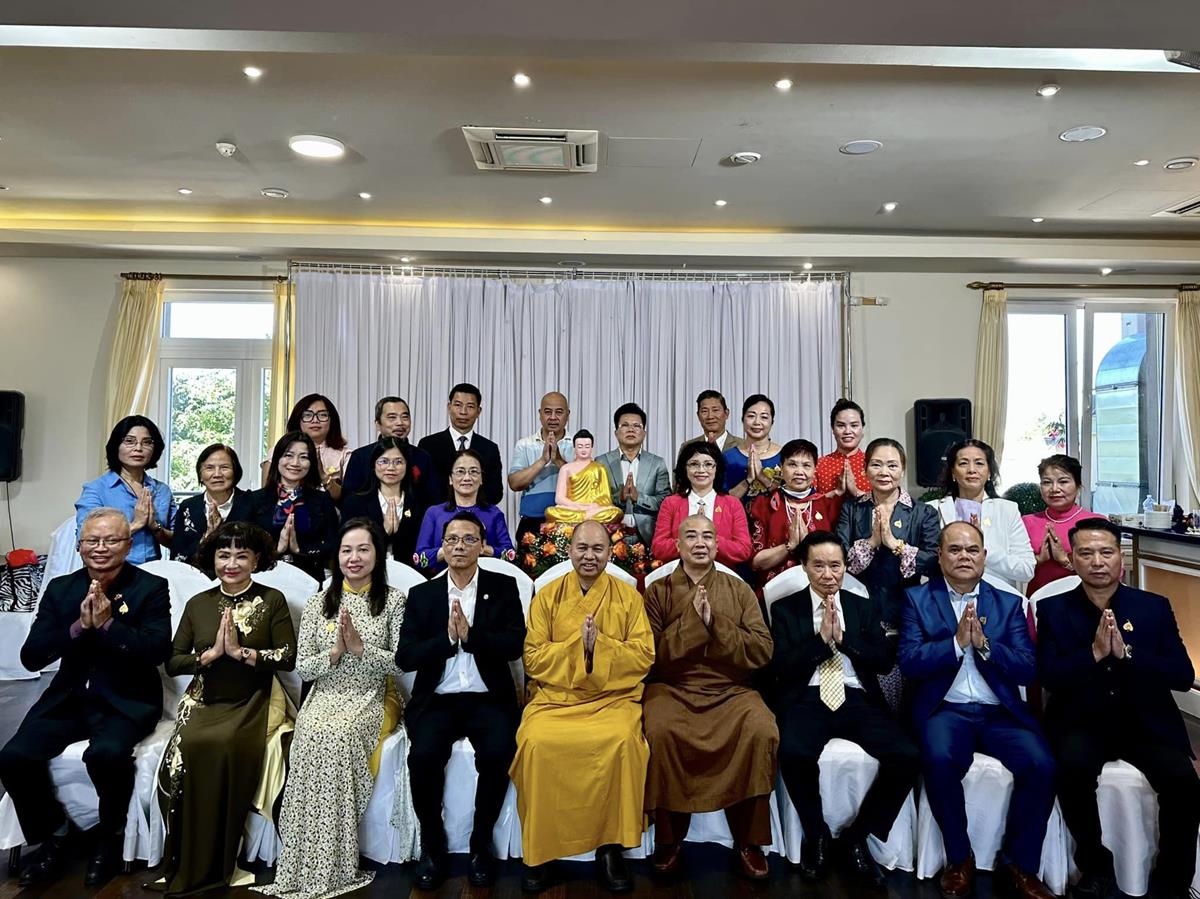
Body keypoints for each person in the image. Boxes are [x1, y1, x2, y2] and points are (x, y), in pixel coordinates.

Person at [0, 509, 171, 887]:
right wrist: (78, 627)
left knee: (105, 755)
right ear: (79, 547)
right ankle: (55, 834)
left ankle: (109, 839)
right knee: (13, 757)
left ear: (128, 545)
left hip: (126, 698)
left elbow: (157, 650)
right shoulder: (61, 589)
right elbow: (31, 656)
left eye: (111, 540)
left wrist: (109, 625)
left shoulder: (150, 587)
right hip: (69, 697)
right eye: (92, 540)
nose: (101, 548)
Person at [1037, 519, 1199, 899]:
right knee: (1072, 771)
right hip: (1082, 720)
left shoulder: (1153, 607)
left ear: (1120, 558)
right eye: (1086, 553)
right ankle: (1097, 868)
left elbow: (1181, 675)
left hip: (1145, 721)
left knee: (1183, 782)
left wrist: (1128, 654)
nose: (1097, 562)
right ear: (1073, 559)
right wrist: (1093, 654)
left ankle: (1172, 882)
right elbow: (1049, 676)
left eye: (1106, 552)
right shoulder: (1053, 609)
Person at [258, 518, 418, 898]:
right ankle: (303, 861)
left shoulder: (394, 601)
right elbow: (303, 668)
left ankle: (336, 863)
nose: (354, 558)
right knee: (309, 733)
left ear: (377, 555)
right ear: (337, 556)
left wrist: (362, 650)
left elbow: (402, 664)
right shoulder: (319, 602)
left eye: (363, 549)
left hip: (373, 693)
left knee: (339, 736)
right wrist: (333, 654)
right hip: (325, 694)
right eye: (347, 550)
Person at [898, 522, 1056, 899]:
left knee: (1042, 765)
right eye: (954, 550)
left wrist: (985, 647)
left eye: (972, 550)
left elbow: (1026, 668)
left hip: (999, 711)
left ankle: (1019, 864)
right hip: (946, 709)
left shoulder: (1008, 603)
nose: (964, 557)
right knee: (938, 760)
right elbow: (909, 661)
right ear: (940, 557)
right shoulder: (917, 600)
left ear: (984, 556)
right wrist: (955, 644)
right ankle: (960, 858)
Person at [511, 520, 655, 893]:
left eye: (598, 549)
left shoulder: (628, 598)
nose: (589, 556)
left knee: (623, 741)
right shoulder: (547, 596)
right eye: (582, 548)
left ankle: (610, 847)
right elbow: (532, 657)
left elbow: (643, 656)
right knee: (536, 743)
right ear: (569, 551)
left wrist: (599, 647)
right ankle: (541, 851)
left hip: (611, 699)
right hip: (557, 699)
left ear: (610, 554)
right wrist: (579, 649)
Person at [156, 521, 298, 896]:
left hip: (254, 698)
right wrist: (210, 656)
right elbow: (174, 661)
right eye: (223, 555)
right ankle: (185, 860)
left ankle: (219, 861)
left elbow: (287, 657)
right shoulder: (198, 604)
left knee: (223, 745)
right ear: (213, 559)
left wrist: (240, 653)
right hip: (205, 697)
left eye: (241, 556)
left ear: (256, 560)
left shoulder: (272, 600)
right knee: (187, 749)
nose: (231, 564)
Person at [771, 532, 919, 889]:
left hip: (855, 697)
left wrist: (844, 640)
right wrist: (821, 642)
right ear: (804, 567)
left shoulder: (861, 606)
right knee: (793, 752)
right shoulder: (785, 609)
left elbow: (883, 662)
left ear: (844, 568)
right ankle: (817, 835)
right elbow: (781, 669)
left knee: (907, 755)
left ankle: (858, 836)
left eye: (835, 566)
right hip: (807, 697)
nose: (828, 575)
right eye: (819, 566)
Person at [642, 514, 778, 882]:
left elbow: (762, 651)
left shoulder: (739, 591)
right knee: (659, 731)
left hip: (730, 689)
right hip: (673, 688)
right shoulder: (658, 592)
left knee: (761, 729)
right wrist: (693, 625)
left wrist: (717, 624)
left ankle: (748, 840)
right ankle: (669, 839)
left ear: (718, 546)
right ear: (678, 545)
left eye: (707, 536)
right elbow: (648, 656)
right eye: (691, 536)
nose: (700, 543)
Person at [396, 512, 526, 890]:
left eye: (469, 539)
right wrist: (448, 641)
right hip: (438, 698)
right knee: (423, 757)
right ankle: (432, 846)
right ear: (442, 547)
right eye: (451, 539)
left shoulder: (502, 586)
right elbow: (406, 656)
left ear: (482, 546)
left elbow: (514, 646)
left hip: (488, 697)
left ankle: (480, 844)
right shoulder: (423, 595)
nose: (459, 546)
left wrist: (471, 637)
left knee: (499, 753)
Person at [836, 437, 940, 628]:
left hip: (908, 607)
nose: (884, 472)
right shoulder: (851, 509)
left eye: (892, 466)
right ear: (865, 469)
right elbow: (840, 559)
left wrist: (895, 544)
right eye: (876, 465)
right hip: (859, 606)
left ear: (903, 470)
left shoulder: (924, 513)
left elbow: (933, 563)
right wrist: (871, 543)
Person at [931, 439, 1036, 590]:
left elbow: (1026, 570)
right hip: (945, 595)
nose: (971, 469)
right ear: (953, 472)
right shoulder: (933, 509)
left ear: (989, 473)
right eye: (963, 463)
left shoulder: (1007, 510)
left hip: (998, 596)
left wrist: (981, 547)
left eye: (979, 463)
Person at [75, 415, 175, 564]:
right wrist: (136, 524)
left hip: (153, 571)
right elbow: (86, 541)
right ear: (116, 446)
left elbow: (177, 542)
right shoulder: (96, 489)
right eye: (129, 441)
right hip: (110, 571)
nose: (138, 448)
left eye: (147, 442)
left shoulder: (162, 490)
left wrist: (155, 526)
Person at [749, 438, 841, 589]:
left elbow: (837, 557)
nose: (799, 472)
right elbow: (756, 562)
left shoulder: (828, 505)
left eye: (806, 465)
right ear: (781, 467)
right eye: (792, 464)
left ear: (815, 469)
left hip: (820, 588)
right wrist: (789, 546)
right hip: (775, 590)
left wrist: (805, 547)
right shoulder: (764, 505)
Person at [249, 432, 341, 581]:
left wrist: (300, 549)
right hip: (262, 578)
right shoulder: (253, 499)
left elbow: (335, 544)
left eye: (303, 457)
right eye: (288, 455)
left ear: (311, 463)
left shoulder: (322, 499)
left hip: (308, 578)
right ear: (277, 459)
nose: (295, 463)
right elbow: (243, 543)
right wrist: (276, 549)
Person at [652, 442, 752, 568]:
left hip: (721, 575)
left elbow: (743, 550)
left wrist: (709, 540)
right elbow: (658, 548)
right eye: (694, 464)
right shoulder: (671, 503)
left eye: (708, 464)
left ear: (717, 468)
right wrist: (690, 541)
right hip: (679, 574)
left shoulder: (732, 504)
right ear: (685, 468)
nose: (701, 470)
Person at [413, 449, 515, 572]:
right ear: (450, 479)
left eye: (473, 472)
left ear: (481, 479)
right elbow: (419, 559)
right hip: (443, 580)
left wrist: (483, 548)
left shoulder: (494, 513)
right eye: (460, 472)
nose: (467, 477)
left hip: (485, 579)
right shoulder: (434, 513)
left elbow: (511, 556)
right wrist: (449, 549)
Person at [1021, 454, 1106, 597]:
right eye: (1047, 482)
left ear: (1078, 486)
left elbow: (1112, 572)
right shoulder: (1027, 522)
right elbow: (1015, 570)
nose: (1054, 488)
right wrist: (1039, 560)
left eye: (1063, 481)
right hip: (1038, 601)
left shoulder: (1096, 523)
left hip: (1085, 601)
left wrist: (1065, 560)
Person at [596, 403, 672, 546]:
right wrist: (620, 498)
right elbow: (595, 500)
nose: (631, 429)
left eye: (637, 426)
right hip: (610, 533)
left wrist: (639, 498)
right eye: (625, 425)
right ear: (616, 432)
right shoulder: (601, 462)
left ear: (644, 433)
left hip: (648, 534)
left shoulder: (657, 463)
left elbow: (665, 501)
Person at [340, 437, 425, 564]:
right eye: (384, 461)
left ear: (407, 466)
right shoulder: (355, 503)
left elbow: (421, 549)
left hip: (409, 570)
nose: (391, 467)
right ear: (373, 465)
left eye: (398, 462)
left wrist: (399, 533)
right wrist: (383, 531)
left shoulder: (419, 502)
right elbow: (349, 545)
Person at [417, 382, 504, 506]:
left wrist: (470, 506)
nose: (463, 412)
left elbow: (496, 492)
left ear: (478, 411)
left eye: (470, 406)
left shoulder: (490, 448)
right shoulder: (428, 444)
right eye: (458, 405)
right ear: (449, 407)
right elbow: (421, 487)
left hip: (477, 513)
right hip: (438, 512)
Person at [341, 396, 438, 504]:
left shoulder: (422, 457)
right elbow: (349, 498)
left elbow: (433, 498)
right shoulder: (360, 456)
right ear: (378, 424)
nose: (400, 423)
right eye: (392, 417)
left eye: (405, 417)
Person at [172, 444, 254, 566]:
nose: (217, 474)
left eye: (224, 467)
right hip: (195, 575)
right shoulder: (188, 507)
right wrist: (207, 538)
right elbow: (178, 555)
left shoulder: (252, 503)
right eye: (209, 468)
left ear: (235, 472)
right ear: (200, 474)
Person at [507, 391, 574, 540]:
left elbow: (583, 484)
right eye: (548, 412)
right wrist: (542, 461)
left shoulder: (578, 445)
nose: (553, 417)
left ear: (568, 415)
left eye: (559, 412)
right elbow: (514, 483)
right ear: (540, 414)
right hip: (531, 523)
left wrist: (558, 460)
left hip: (568, 522)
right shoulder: (525, 444)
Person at [544, 429, 622, 524]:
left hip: (593, 508)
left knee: (615, 512)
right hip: (573, 508)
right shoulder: (566, 468)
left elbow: (605, 497)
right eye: (580, 447)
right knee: (550, 511)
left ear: (592, 447)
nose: (584, 450)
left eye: (587, 446)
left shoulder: (599, 468)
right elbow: (559, 498)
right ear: (574, 447)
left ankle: (583, 517)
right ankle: (588, 517)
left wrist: (595, 505)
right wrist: (576, 506)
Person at [285, 393, 352, 502]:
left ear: (332, 420)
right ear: (298, 419)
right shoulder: (278, 452)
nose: (315, 420)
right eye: (308, 415)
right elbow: (267, 494)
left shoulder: (345, 455)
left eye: (322, 415)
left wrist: (324, 476)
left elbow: (347, 497)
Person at [724, 394, 783, 503]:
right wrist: (748, 479)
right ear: (743, 419)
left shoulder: (784, 456)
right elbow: (722, 502)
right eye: (751, 416)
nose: (757, 422)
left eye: (764, 417)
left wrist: (761, 476)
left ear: (772, 422)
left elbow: (789, 498)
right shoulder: (728, 457)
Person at [814, 399, 870, 498]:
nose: (847, 431)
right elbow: (809, 504)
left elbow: (885, 501)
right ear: (833, 429)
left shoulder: (873, 463)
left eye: (854, 425)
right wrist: (836, 492)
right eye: (841, 426)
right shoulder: (819, 465)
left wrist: (855, 491)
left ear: (862, 428)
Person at [676, 390, 742, 460]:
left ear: (726, 413)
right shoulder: (687, 447)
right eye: (704, 411)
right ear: (698, 416)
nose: (710, 416)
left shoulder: (743, 445)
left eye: (715, 410)